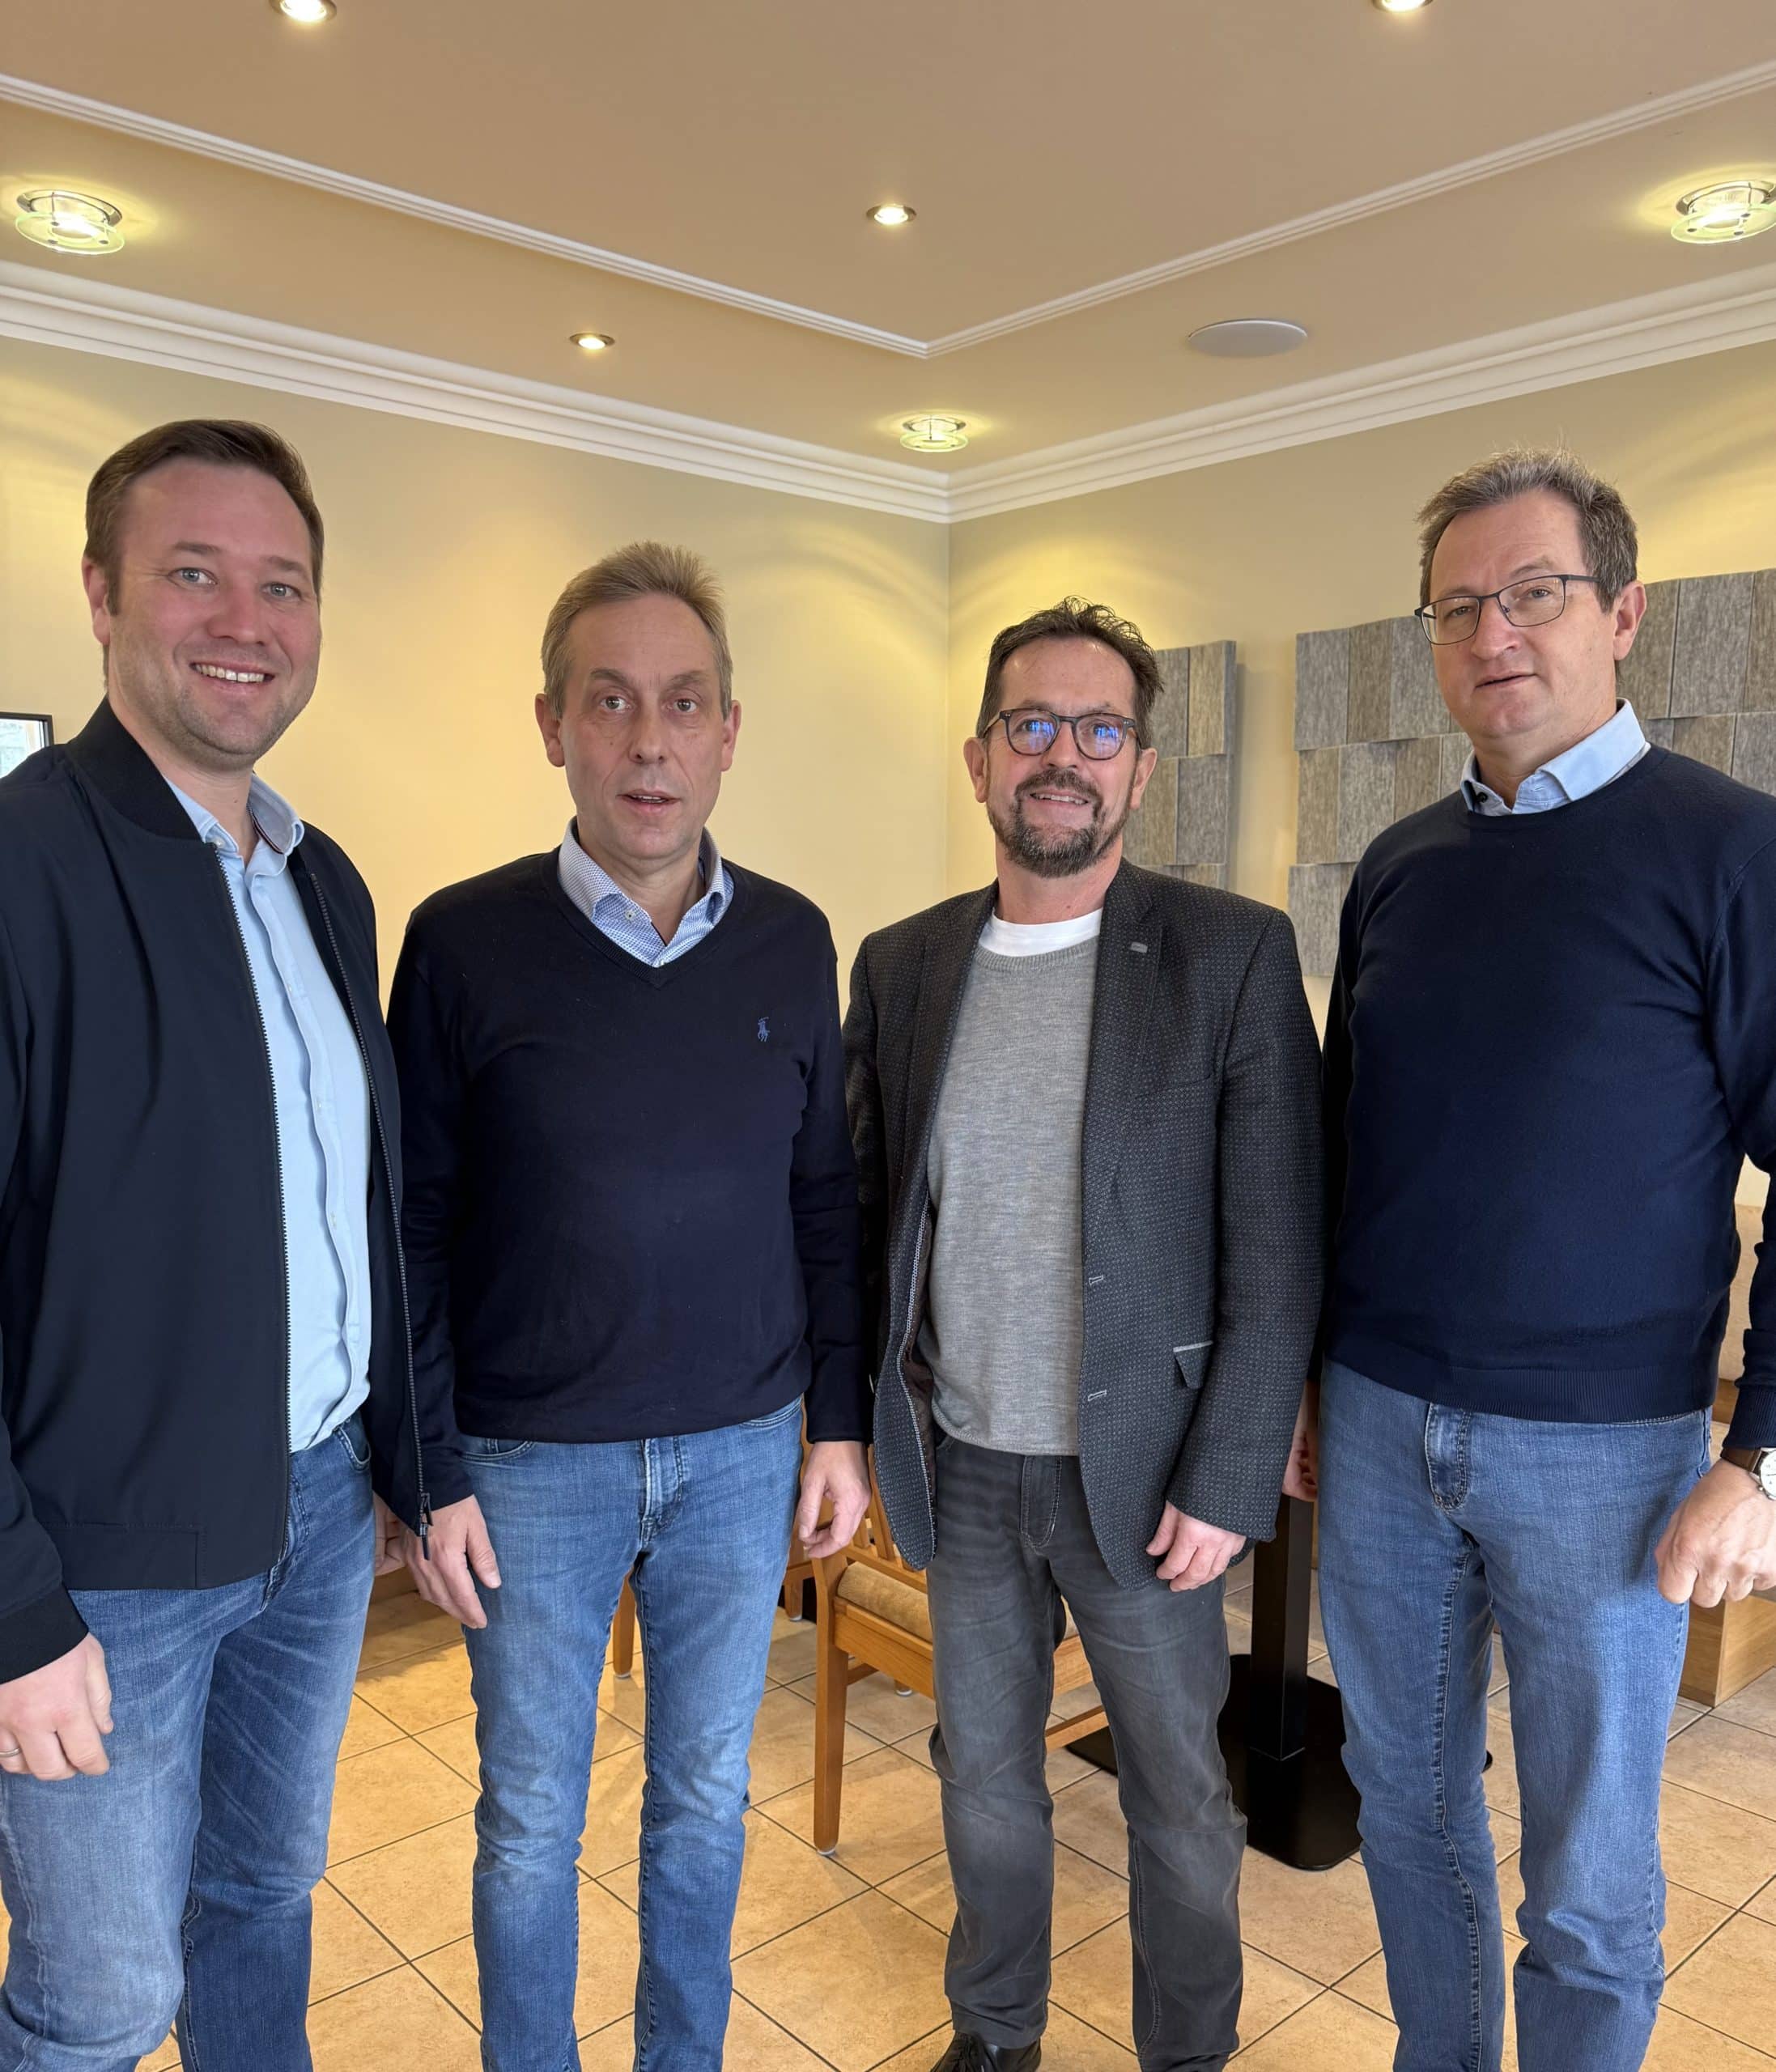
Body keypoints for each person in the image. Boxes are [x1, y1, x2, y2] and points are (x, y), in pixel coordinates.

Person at [0, 418, 463, 2070]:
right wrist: (14, 1617)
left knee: (262, 1892)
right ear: (101, 592)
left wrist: (410, 1463)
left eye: (283, 584)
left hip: (318, 1513)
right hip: (102, 1563)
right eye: (193, 572)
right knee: (99, 2000)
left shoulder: (321, 880)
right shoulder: (22, 865)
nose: (244, 621)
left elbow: (360, 1213)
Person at [1311, 448, 1776, 2072]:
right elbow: (1339, 1151)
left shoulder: (1734, 852)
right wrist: (1304, 1384)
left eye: (1531, 593)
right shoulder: (1396, 866)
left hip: (1604, 1456)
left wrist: (1757, 1459)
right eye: (1455, 608)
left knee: (1583, 1877)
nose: (1490, 633)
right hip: (1376, 1426)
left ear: (1621, 613)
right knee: (1403, 1807)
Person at [388, 541, 872, 2072]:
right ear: (552, 726)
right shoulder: (460, 942)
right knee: (531, 1816)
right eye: (609, 702)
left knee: (704, 1802)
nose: (648, 742)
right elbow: (409, 1224)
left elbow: (822, 1198)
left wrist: (837, 1425)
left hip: (742, 1453)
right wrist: (426, 1470)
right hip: (530, 1465)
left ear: (729, 731)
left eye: (683, 702)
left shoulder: (793, 938)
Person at [844, 599, 1324, 2072]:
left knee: (1177, 1796)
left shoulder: (1230, 955)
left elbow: (1278, 1246)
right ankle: (995, 2035)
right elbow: (865, 1220)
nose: (1063, 755)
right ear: (979, 757)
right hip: (962, 1469)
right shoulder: (903, 964)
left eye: (1098, 729)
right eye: (1032, 725)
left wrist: (1230, 1477)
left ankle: (1187, 2055)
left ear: (1140, 765)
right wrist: (854, 1432)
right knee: (981, 1777)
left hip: (1150, 1482)